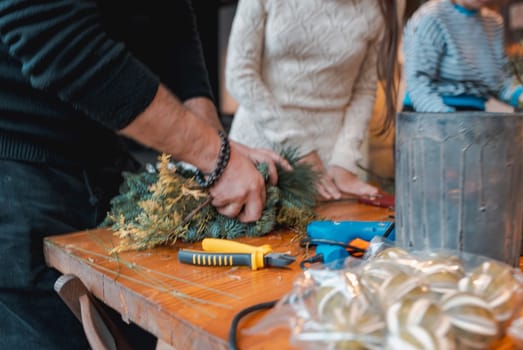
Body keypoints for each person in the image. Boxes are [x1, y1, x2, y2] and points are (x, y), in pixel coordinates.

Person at [0, 0, 290, 348]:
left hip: (105, 163)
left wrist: (212, 143)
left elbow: (173, 21)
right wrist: (215, 156)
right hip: (19, 174)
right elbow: (53, 36)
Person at [225, 0, 402, 200]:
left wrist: (344, 161)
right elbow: (239, 74)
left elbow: (364, 91)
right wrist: (300, 148)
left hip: (328, 171)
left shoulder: (375, 8)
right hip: (256, 152)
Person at [402, 0, 523, 113]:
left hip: (472, 116)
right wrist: (445, 120)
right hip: (428, 114)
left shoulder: (494, 23)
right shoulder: (431, 17)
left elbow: (500, 82)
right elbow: (417, 81)